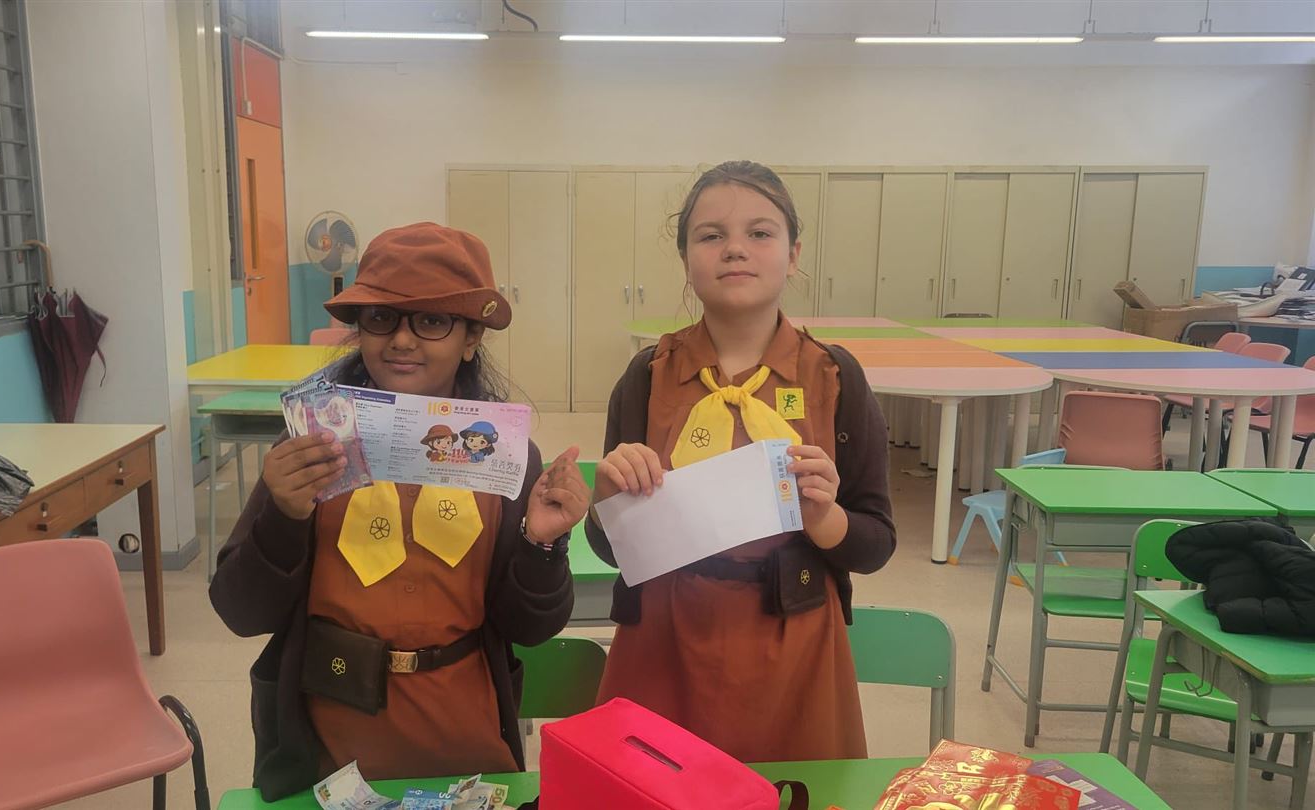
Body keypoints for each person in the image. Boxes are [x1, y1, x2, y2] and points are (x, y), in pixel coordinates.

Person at [210, 222, 587, 799]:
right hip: (329, 737)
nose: (402, 340)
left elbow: (531, 628)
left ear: (471, 338)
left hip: (465, 729)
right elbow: (239, 612)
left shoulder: (504, 457)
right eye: (381, 318)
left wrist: (541, 543)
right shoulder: (313, 449)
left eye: (432, 321)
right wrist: (283, 515)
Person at [586, 161, 896, 762]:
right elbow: (611, 549)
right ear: (686, 258)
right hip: (662, 642)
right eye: (710, 235)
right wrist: (607, 505)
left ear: (793, 253)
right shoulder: (647, 377)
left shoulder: (834, 377)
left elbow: (876, 543)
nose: (735, 249)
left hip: (796, 646)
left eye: (760, 232)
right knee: (655, 792)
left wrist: (823, 517)